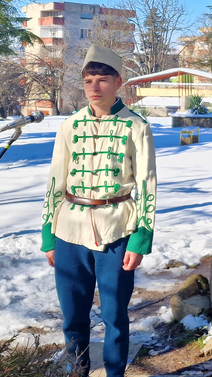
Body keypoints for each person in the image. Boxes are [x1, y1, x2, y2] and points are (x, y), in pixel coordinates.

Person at [41, 45, 157, 377]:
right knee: (73, 316)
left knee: (115, 315)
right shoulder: (69, 126)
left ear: (118, 82)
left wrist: (141, 239)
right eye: (89, 79)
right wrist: (49, 234)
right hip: (68, 230)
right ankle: (75, 372)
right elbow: (55, 180)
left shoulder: (136, 126)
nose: (94, 87)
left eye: (102, 79)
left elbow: (147, 184)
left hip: (117, 228)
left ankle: (115, 373)